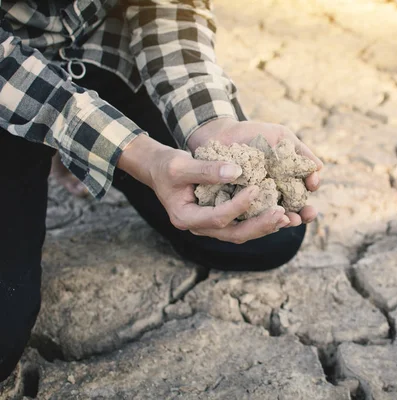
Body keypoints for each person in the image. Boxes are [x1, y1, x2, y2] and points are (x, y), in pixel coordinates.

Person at [0, 0, 322, 382]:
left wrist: (211, 123)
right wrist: (137, 154)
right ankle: (52, 151)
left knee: (269, 235)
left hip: (98, 49)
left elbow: (170, 7)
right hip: (10, 78)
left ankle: (72, 152)